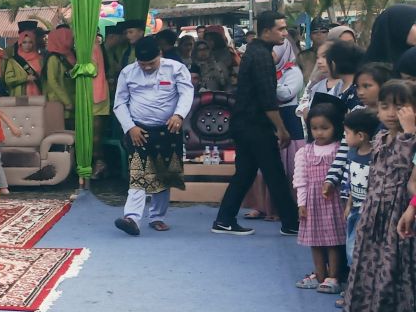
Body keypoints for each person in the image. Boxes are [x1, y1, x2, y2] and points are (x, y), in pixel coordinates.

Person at [341, 81, 416, 312]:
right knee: (369, 271)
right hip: (373, 214)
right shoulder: (380, 138)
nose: (391, 113)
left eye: (400, 106)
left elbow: (401, 168)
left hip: (398, 215)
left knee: (394, 274)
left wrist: (409, 132)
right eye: (385, 106)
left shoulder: (410, 139)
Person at [212, 13, 300, 236]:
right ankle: (291, 223)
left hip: (246, 123)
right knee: (274, 174)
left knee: (246, 173)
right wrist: (281, 129)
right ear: (266, 31)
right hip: (255, 125)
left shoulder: (255, 51)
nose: (285, 33)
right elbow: (267, 98)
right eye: (280, 29)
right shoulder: (261, 55)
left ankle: (224, 219)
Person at [112, 38, 193, 236]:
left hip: (169, 129)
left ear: (160, 55)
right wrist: (130, 127)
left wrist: (179, 115)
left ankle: (157, 217)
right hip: (139, 131)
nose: (147, 67)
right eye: (143, 64)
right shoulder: (128, 72)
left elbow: (186, 93)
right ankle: (131, 218)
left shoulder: (176, 69)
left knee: (163, 175)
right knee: (138, 174)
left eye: (151, 63)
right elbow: (119, 103)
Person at [293, 96, 347, 295]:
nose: (319, 132)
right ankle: (319, 273)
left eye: (325, 128)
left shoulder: (341, 149)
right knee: (314, 241)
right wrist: (301, 204)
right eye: (314, 128)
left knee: (334, 241)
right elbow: (300, 180)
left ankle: (334, 276)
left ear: (336, 127)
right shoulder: (304, 152)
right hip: (312, 203)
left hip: (334, 202)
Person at [325, 105, 377, 265]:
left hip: (368, 211)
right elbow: (353, 183)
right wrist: (349, 204)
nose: (345, 137)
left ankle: (361, 276)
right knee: (351, 244)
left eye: (347, 133)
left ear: (360, 136)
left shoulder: (375, 157)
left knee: (361, 247)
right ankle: (354, 275)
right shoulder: (352, 154)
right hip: (354, 208)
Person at [4, 21, 45, 96]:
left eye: (30, 42)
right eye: (24, 42)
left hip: (39, 96)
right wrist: (25, 78)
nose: (27, 45)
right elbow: (8, 79)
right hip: (20, 97)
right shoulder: (12, 57)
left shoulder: (41, 59)